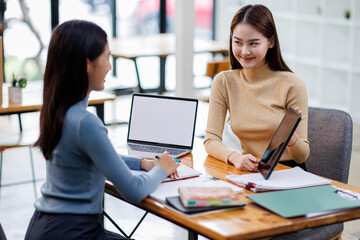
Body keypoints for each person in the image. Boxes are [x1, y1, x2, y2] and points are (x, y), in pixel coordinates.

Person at [25, 20, 178, 240]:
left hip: (46, 226)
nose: (110, 65)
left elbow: (99, 155)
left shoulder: (58, 110)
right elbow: (134, 190)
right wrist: (162, 167)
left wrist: (143, 163)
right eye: (107, 57)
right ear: (87, 64)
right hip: (72, 232)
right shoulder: (86, 122)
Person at [204, 4, 310, 172]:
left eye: (253, 43)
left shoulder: (292, 84)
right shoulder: (223, 82)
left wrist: (290, 137)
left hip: (287, 172)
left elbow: (302, 156)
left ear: (271, 41)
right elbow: (211, 140)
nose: (244, 51)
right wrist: (235, 157)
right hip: (250, 169)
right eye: (238, 42)